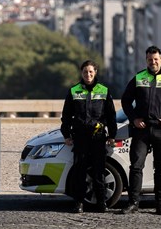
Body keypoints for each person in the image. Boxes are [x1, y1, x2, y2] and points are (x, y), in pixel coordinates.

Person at [121, 45, 161, 216]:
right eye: (150, 59)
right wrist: (134, 118)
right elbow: (126, 100)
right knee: (136, 167)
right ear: (146, 60)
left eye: (156, 59)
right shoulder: (139, 77)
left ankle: (160, 205)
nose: (153, 62)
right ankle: (133, 203)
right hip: (141, 130)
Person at [60, 60, 117, 214]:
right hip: (80, 138)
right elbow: (66, 116)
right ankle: (78, 203)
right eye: (85, 72)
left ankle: (101, 203)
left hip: (98, 138)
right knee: (79, 172)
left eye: (91, 72)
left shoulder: (104, 90)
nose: (88, 75)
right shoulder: (74, 91)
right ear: (81, 73)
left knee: (99, 172)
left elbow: (111, 115)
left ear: (95, 72)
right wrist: (66, 134)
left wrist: (112, 134)